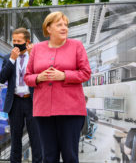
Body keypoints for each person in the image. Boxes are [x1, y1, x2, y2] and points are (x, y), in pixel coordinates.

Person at [24, 11, 91, 163]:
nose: (64, 28)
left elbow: (86, 73)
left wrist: (64, 76)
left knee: (70, 156)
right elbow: (27, 77)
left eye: (66, 25)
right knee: (48, 157)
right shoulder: (37, 49)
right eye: (59, 25)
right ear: (48, 29)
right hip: (43, 111)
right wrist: (39, 77)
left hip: (71, 111)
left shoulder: (76, 46)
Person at [0, 27, 42, 163]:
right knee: (15, 139)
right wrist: (12, 60)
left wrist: (33, 56)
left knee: (36, 139)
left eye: (19, 41)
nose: (16, 43)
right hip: (15, 102)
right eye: (14, 41)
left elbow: (42, 75)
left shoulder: (36, 56)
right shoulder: (8, 58)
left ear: (27, 41)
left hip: (32, 102)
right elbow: (1, 78)